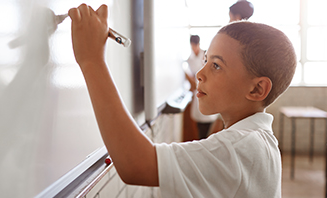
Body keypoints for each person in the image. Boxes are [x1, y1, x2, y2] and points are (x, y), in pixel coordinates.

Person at [68, 4, 296, 197]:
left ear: (257, 89)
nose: (200, 74)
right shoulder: (257, 141)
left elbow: (136, 164)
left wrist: (91, 60)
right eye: (206, 60)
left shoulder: (240, 148)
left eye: (216, 65)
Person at [209, 0, 255, 135]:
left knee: (219, 131)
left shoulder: (234, 39)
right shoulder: (255, 38)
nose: (229, 21)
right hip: (245, 97)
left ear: (237, 17)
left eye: (230, 17)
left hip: (233, 94)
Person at [185, 35, 217, 139]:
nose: (194, 48)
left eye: (196, 45)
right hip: (198, 92)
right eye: (192, 46)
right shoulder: (190, 59)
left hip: (208, 91)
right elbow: (193, 80)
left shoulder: (206, 55)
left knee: (208, 125)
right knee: (200, 125)